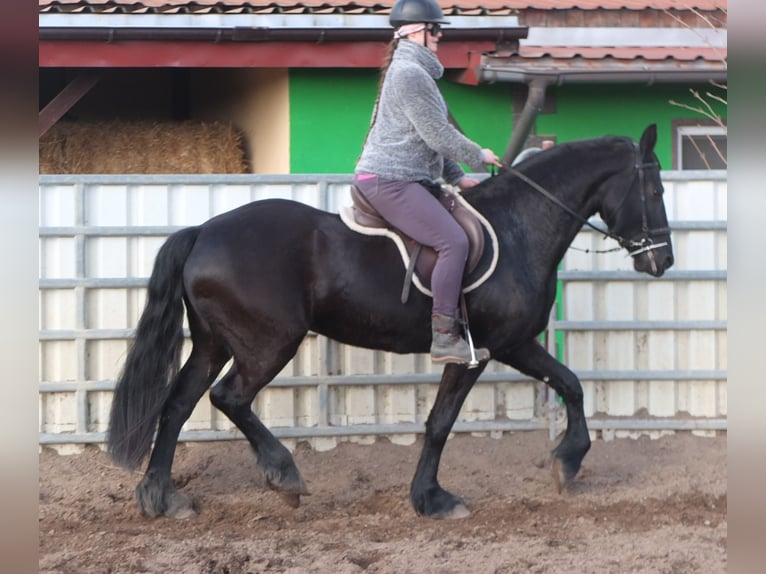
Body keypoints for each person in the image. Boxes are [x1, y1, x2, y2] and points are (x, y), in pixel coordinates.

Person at [353, 0, 502, 365]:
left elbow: (425, 136)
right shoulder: (410, 74)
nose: (439, 36)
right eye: (435, 30)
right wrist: (477, 155)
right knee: (453, 241)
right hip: (390, 180)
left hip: (409, 177)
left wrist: (456, 176)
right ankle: (444, 336)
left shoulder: (414, 73)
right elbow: (437, 134)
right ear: (415, 31)